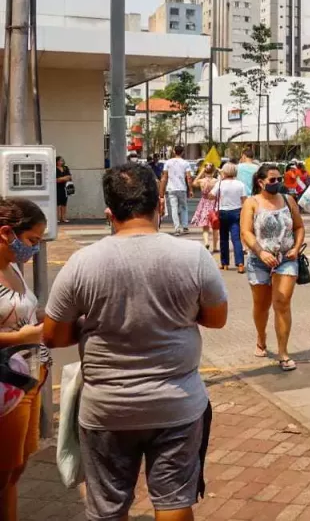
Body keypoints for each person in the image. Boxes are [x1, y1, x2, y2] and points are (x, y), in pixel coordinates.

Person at [42, 163, 228, 521]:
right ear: (159, 204)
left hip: (107, 407)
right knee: (174, 501)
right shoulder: (194, 256)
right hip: (177, 403)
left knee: (108, 507)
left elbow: (53, 335)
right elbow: (216, 319)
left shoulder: (82, 263)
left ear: (109, 213)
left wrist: (92, 325)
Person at [0, 199, 48, 521]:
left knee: (15, 469)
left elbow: (24, 314)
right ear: (6, 232)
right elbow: (18, 330)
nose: (35, 250)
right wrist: (19, 338)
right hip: (5, 386)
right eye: (31, 240)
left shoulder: (13, 266)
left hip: (30, 377)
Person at [241, 164, 305, 371]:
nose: (277, 183)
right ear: (260, 182)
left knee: (282, 302)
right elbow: (246, 232)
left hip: (286, 258)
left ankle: (283, 353)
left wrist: (295, 248)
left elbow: (299, 226)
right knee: (261, 306)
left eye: (279, 179)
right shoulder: (252, 203)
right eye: (272, 180)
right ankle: (261, 337)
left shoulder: (288, 200)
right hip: (259, 260)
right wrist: (261, 252)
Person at [212, 163, 247, 273]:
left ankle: (225, 263)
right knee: (236, 239)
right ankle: (240, 263)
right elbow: (244, 200)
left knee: (223, 238)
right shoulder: (240, 184)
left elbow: (211, 195)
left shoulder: (220, 184)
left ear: (225, 172)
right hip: (236, 211)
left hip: (223, 212)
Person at [159, 145, 193, 235]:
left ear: (174, 151)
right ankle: (185, 227)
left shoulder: (168, 162)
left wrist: (161, 191)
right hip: (182, 188)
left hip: (171, 188)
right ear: (182, 152)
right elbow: (189, 177)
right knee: (184, 207)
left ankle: (177, 228)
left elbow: (164, 177)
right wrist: (191, 190)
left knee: (174, 208)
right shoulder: (185, 163)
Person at [190, 163, 220, 254]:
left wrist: (201, 171)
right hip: (214, 204)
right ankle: (215, 246)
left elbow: (193, 183)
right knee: (215, 227)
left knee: (205, 226)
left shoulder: (201, 181)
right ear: (213, 171)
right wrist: (217, 171)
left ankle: (206, 242)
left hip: (204, 203)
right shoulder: (216, 181)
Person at [55, 155, 73, 224]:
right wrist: (64, 178)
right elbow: (56, 180)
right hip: (57, 187)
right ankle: (57, 218)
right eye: (60, 161)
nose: (61, 162)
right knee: (57, 203)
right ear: (56, 161)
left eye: (62, 160)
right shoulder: (54, 168)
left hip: (65, 187)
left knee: (64, 203)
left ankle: (64, 218)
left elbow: (69, 177)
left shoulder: (66, 168)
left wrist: (61, 178)